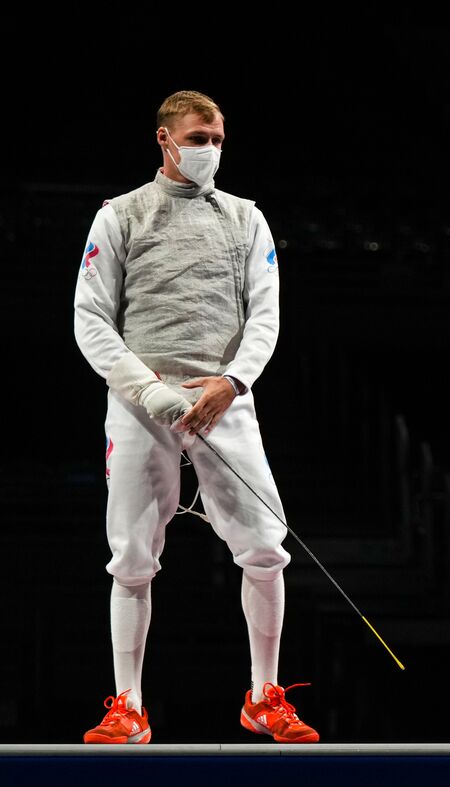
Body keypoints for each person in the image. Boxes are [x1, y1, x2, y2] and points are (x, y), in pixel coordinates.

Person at [73, 90, 318, 744]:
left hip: (224, 401)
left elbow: (265, 315)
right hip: (139, 402)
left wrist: (233, 382)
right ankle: (128, 705)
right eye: (198, 136)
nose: (210, 147)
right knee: (131, 558)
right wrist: (152, 393)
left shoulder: (247, 219)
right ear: (164, 139)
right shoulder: (120, 216)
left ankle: (264, 695)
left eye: (217, 136)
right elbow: (90, 320)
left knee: (267, 549)